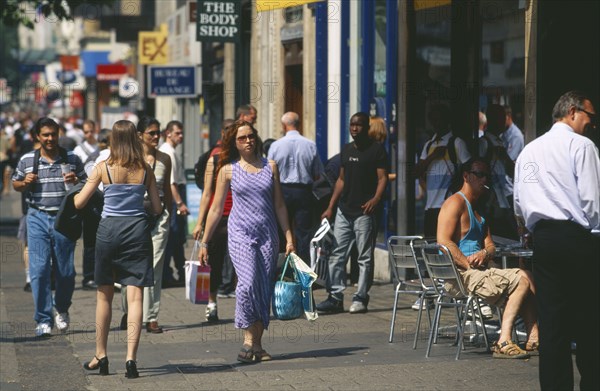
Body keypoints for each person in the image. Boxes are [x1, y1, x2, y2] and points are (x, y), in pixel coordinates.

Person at [514, 91, 599, 390]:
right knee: (589, 319)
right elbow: (592, 201)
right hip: (577, 238)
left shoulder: (530, 151)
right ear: (573, 111)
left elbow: (519, 201)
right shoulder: (582, 146)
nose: (593, 124)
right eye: (591, 116)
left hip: (544, 241)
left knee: (552, 324)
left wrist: (528, 231)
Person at [198, 119, 294, 363]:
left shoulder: (270, 166)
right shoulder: (228, 170)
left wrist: (289, 237)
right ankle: (248, 340)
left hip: (267, 234)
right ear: (234, 143)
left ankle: (258, 346)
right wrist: (204, 241)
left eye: (251, 136)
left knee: (262, 288)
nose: (248, 141)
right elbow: (216, 209)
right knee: (247, 284)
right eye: (242, 138)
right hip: (240, 233)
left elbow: (280, 204)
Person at [74, 120, 162, 379]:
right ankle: (131, 360)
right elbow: (156, 208)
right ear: (136, 139)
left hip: (109, 232)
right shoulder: (146, 170)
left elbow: (79, 202)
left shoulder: (103, 168)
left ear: (113, 139)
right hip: (137, 232)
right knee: (135, 297)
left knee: (104, 296)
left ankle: (101, 354)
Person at [437, 157, 539, 359]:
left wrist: (484, 253)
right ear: (466, 176)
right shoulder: (455, 203)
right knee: (521, 281)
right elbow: (443, 242)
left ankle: (534, 337)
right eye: (479, 174)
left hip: (479, 273)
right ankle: (504, 340)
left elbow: (491, 246)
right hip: (460, 276)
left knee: (527, 275)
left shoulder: (478, 210)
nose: (485, 179)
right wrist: (468, 264)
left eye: (487, 175)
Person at [12, 117, 86, 337]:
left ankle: (61, 308)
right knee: (39, 270)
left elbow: (87, 183)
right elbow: (15, 183)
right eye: (45, 135)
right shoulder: (28, 160)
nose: (50, 138)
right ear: (38, 136)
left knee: (66, 272)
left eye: (53, 134)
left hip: (63, 218)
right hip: (37, 216)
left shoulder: (71, 158)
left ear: (59, 134)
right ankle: (43, 319)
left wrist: (77, 182)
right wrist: (25, 183)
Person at [315, 112, 388, 314]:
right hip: (343, 210)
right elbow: (341, 179)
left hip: (364, 211)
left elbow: (382, 178)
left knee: (364, 257)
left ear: (366, 128)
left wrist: (376, 199)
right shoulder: (346, 150)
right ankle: (335, 298)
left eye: (359, 125)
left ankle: (361, 297)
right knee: (337, 254)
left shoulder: (377, 150)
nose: (354, 128)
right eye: (352, 125)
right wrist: (330, 206)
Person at [120, 117, 172, 333]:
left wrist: (170, 211)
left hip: (159, 217)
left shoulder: (165, 159)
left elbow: (166, 187)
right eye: (151, 133)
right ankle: (128, 311)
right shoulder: (130, 159)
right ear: (140, 135)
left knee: (155, 265)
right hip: (134, 218)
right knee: (131, 265)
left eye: (158, 132)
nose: (156, 137)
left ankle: (151, 316)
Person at [192, 119, 235, 322]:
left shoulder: (246, 160)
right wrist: (199, 222)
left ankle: (244, 303)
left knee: (240, 264)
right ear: (222, 133)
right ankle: (211, 302)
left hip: (239, 218)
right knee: (213, 262)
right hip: (217, 218)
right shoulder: (215, 160)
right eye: (227, 130)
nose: (230, 134)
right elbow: (207, 194)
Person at [268, 112, 324, 262]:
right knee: (304, 233)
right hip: (304, 191)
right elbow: (318, 173)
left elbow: (268, 173)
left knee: (281, 230)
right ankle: (303, 272)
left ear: (283, 125)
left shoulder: (275, 145)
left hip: (282, 191)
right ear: (298, 124)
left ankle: (281, 269)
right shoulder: (310, 145)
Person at [415, 103, 472, 238]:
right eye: (433, 120)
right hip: (430, 206)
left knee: (447, 244)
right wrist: (433, 156)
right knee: (430, 245)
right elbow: (416, 172)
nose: (436, 123)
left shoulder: (457, 143)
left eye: (440, 119)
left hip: (449, 205)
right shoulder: (429, 145)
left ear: (447, 120)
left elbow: (469, 170)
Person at [478, 104, 517, 239]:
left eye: (503, 118)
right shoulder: (485, 143)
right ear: (491, 120)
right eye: (499, 118)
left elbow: (511, 172)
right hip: (492, 202)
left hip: (503, 199)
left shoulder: (499, 142)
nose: (503, 122)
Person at [160, 120, 188, 287]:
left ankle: (180, 273)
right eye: (177, 133)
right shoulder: (168, 152)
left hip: (174, 198)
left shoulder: (170, 151)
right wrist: (179, 203)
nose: (181, 136)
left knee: (177, 239)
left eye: (182, 132)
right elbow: (171, 183)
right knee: (172, 238)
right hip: (172, 201)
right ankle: (166, 275)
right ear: (168, 133)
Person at [499, 105, 524, 208]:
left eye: (500, 118)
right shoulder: (503, 134)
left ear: (508, 116)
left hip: (509, 187)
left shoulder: (515, 136)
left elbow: (507, 160)